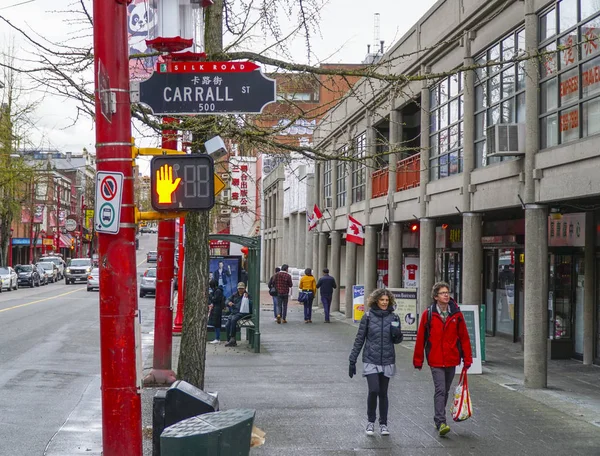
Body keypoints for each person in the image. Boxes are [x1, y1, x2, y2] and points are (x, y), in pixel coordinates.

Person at [413, 281, 473, 437]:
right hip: (436, 359)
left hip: (452, 358)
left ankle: (438, 418)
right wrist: (418, 360)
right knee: (440, 389)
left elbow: (464, 337)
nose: (446, 295)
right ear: (435, 297)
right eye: (442, 293)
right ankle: (441, 422)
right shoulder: (428, 314)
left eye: (447, 292)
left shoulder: (456, 314)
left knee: (445, 390)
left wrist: (467, 358)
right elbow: (421, 338)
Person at [349, 289, 403, 436]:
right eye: (382, 300)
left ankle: (384, 424)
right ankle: (370, 421)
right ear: (376, 301)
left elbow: (397, 340)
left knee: (383, 393)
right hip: (370, 359)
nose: (385, 302)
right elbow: (360, 339)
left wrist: (397, 333)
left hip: (387, 359)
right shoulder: (367, 317)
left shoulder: (394, 317)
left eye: (387, 300)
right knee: (374, 390)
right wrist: (352, 360)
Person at [224, 282, 252, 347]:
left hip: (243, 313)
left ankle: (232, 337)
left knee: (233, 319)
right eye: (239, 288)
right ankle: (230, 340)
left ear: (244, 288)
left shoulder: (247, 295)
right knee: (227, 324)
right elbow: (227, 300)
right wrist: (229, 303)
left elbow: (251, 304)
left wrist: (247, 299)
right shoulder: (234, 295)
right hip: (234, 312)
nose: (240, 290)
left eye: (242, 288)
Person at [208, 279, 225, 344]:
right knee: (216, 323)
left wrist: (210, 296)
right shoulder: (218, 290)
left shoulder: (217, 291)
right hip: (216, 307)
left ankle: (217, 338)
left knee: (217, 323)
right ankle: (217, 337)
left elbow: (214, 299)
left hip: (217, 308)